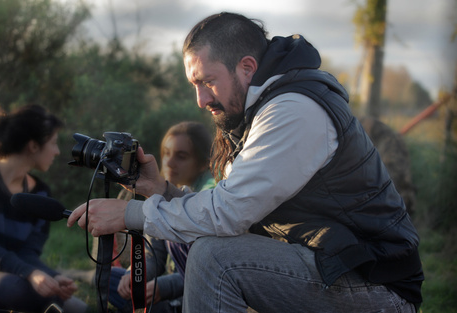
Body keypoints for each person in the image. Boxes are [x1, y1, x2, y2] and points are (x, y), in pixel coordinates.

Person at [68, 12, 424, 313]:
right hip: (335, 266)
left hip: (377, 285)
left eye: (207, 81)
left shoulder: (293, 110)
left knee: (215, 259)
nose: (200, 99)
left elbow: (229, 213)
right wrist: (158, 189)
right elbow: (236, 209)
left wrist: (129, 214)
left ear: (247, 67)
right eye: (195, 84)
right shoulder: (256, 110)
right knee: (215, 251)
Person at [0, 104, 88, 313]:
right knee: (19, 290)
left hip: (18, 275)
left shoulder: (41, 194)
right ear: (33, 146)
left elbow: (29, 251)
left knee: (78, 308)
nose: (57, 151)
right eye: (53, 143)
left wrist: (49, 275)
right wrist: (31, 273)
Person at [109, 121, 215, 313]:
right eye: (166, 154)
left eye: (181, 157)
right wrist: (136, 273)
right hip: (164, 287)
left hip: (193, 297)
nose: (169, 163)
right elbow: (154, 253)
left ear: (202, 164)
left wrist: (164, 287)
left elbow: (211, 270)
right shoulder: (163, 194)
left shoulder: (208, 199)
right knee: (109, 278)